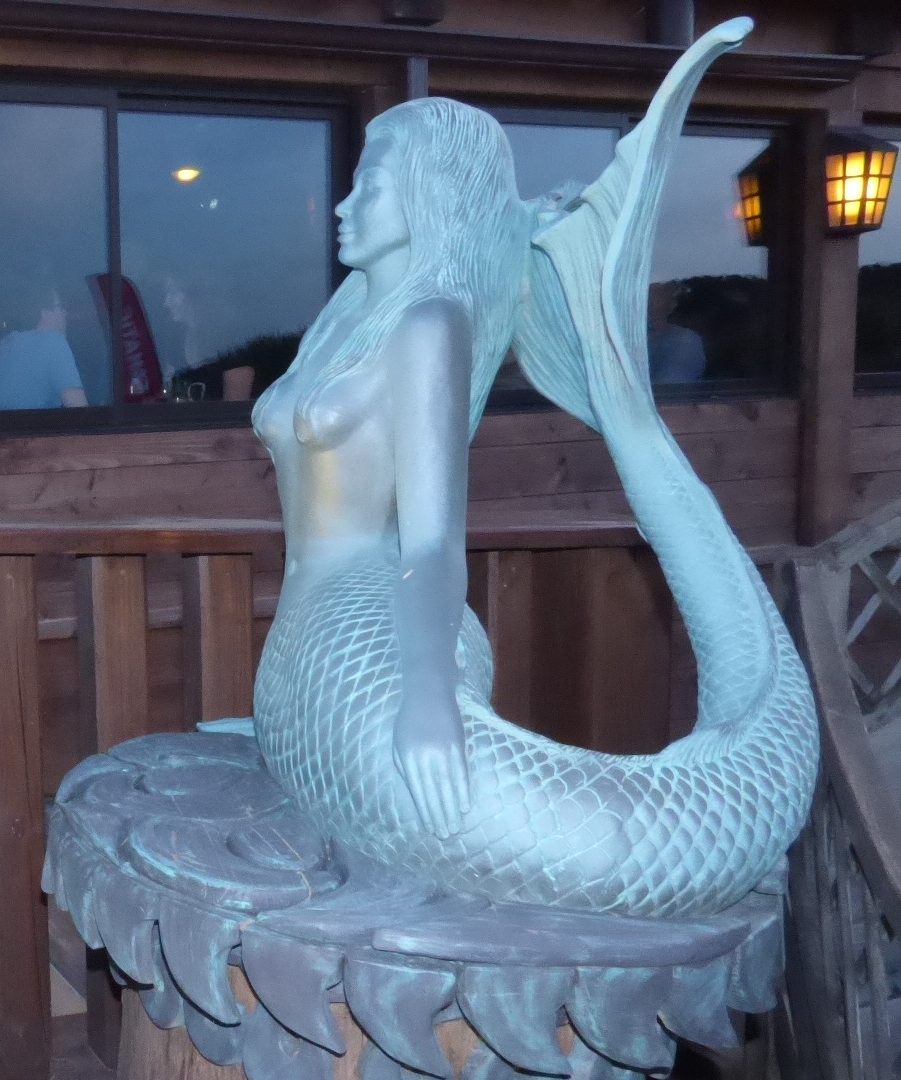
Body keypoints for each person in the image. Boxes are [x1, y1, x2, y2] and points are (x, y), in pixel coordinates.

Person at [250, 40, 813, 919]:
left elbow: (432, 538)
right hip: (308, 642)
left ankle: (629, 425)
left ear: (431, 194)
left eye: (372, 184)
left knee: (597, 844)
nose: (345, 204)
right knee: (365, 803)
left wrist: (429, 695)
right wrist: (513, 227)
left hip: (387, 630)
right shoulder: (353, 310)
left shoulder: (430, 325)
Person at [0, 288, 88, 411]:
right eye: (61, 306)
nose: (65, 313)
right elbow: (80, 411)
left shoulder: (2, 347)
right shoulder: (53, 342)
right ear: (44, 312)